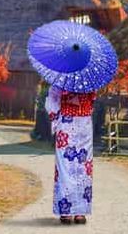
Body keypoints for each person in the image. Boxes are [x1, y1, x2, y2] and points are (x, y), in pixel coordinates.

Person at [45, 85, 96, 225]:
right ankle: (80, 212)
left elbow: (52, 101)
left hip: (67, 122)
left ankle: (66, 211)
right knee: (83, 167)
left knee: (65, 167)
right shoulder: (89, 78)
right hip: (84, 122)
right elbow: (92, 100)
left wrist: (55, 117)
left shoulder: (62, 77)